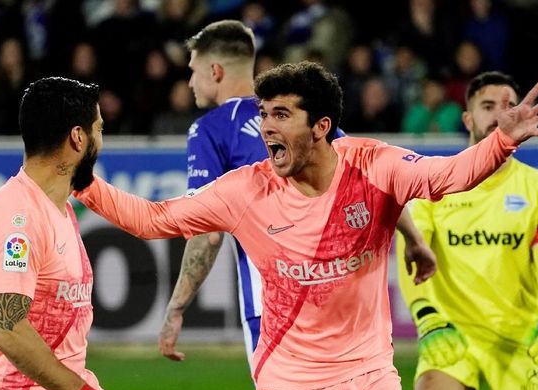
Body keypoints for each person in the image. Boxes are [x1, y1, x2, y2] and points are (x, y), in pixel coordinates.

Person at [74, 61, 538, 390]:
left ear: (321, 126)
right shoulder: (246, 190)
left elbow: (447, 175)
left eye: (281, 115)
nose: (266, 127)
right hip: (289, 378)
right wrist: (84, 181)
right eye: (264, 114)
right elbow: (154, 218)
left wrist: (501, 142)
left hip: (368, 374)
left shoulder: (374, 165)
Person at [159, 20, 432, 370]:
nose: (190, 81)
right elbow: (370, 180)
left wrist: (177, 306)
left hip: (275, 308)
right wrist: (414, 240)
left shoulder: (211, 129)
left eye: (193, 70)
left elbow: (207, 235)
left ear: (214, 70)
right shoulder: (303, 115)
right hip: (340, 300)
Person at [397, 71, 538, 390]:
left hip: (519, 339)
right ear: (467, 118)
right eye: (488, 106)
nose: (500, 116)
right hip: (453, 334)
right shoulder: (433, 184)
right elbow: (412, 257)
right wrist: (427, 317)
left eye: (510, 107)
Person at [0, 77, 105, 390]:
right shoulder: (16, 216)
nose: (101, 141)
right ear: (77, 138)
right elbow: (7, 329)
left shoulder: (60, 209)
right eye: (99, 130)